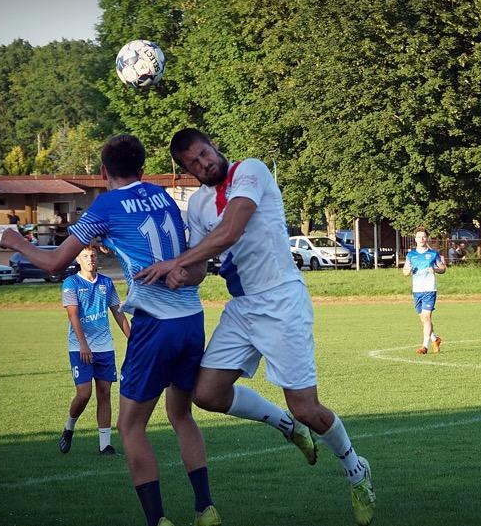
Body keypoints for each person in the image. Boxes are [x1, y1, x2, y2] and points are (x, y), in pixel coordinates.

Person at [133, 128, 376, 526]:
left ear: (214, 145)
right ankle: (285, 425)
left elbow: (231, 230)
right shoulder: (198, 204)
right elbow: (198, 268)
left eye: (204, 153)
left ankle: (355, 468)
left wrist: (176, 263)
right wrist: (179, 275)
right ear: (186, 171)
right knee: (206, 393)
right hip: (242, 307)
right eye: (193, 163)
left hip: (281, 301)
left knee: (307, 408)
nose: (203, 164)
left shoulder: (251, 170)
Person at [0, 135, 221, 526]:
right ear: (142, 168)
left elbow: (54, 263)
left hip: (154, 323)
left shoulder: (105, 205)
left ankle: (158, 521)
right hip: (191, 318)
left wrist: (15, 241)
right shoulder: (162, 195)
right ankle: (206, 509)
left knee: (130, 426)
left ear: (103, 172)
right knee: (181, 415)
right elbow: (144, 237)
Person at [58, 245, 131, 456]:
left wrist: (133, 339)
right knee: (84, 394)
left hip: (105, 347)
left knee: (105, 393)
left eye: (93, 255)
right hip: (79, 347)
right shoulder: (71, 283)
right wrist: (83, 344)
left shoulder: (106, 283)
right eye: (85, 256)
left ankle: (105, 445)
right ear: (78, 260)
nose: (90, 259)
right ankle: (69, 428)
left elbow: (118, 312)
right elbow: (73, 315)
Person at [402, 228, 447, 354]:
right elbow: (405, 271)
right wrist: (408, 271)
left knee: (427, 317)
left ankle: (424, 346)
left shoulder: (433, 254)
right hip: (417, 291)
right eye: (419, 237)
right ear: (415, 239)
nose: (421, 239)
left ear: (427, 238)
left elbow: (443, 268)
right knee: (423, 319)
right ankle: (435, 339)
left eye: (423, 237)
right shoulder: (411, 255)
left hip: (429, 290)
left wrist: (435, 270)